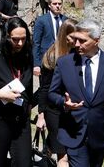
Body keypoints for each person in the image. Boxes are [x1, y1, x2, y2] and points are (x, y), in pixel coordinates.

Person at [48, 19, 104, 167]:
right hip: (73, 132)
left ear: (96, 40)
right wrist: (64, 103)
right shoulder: (65, 63)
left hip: (99, 133)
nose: (76, 44)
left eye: (82, 41)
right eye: (75, 39)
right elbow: (52, 93)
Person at [0, 17, 34, 167]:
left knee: (24, 163)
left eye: (24, 39)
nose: (20, 44)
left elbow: (28, 84)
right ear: (6, 37)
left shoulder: (27, 53)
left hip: (21, 119)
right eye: (15, 39)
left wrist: (29, 105)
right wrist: (2, 95)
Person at [36, 18, 78, 167]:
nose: (76, 41)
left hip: (73, 111)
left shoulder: (79, 54)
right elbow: (44, 88)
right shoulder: (52, 56)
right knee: (63, 155)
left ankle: (48, 149)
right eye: (73, 37)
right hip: (55, 112)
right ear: (64, 36)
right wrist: (41, 115)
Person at [33, 0, 67, 76]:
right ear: (49, 5)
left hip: (62, 59)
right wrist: (36, 64)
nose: (57, 6)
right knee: (45, 87)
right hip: (46, 60)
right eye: (54, 4)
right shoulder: (41, 20)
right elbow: (36, 43)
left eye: (59, 3)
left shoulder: (65, 20)